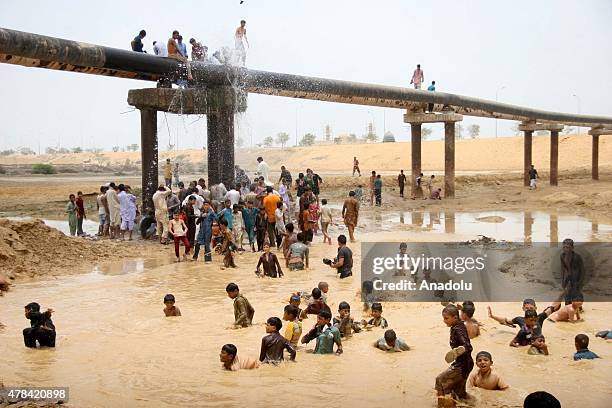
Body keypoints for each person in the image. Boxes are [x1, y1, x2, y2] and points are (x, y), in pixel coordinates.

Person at [435, 304, 473, 406]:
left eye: (446, 318)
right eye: (443, 318)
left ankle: (441, 405)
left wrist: (459, 350)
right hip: (468, 364)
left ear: (455, 317)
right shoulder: (458, 325)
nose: (444, 320)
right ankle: (474, 404)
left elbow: (468, 346)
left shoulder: (458, 329)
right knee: (459, 393)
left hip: (462, 365)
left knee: (440, 380)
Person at [560, 238, 584, 305]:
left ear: (572, 248)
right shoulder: (562, 256)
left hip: (576, 278)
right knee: (567, 294)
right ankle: (567, 306)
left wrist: (580, 281)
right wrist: (562, 280)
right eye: (564, 247)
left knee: (576, 294)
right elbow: (562, 269)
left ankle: (578, 307)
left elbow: (582, 270)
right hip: (568, 277)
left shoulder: (577, 257)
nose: (565, 249)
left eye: (567, 247)